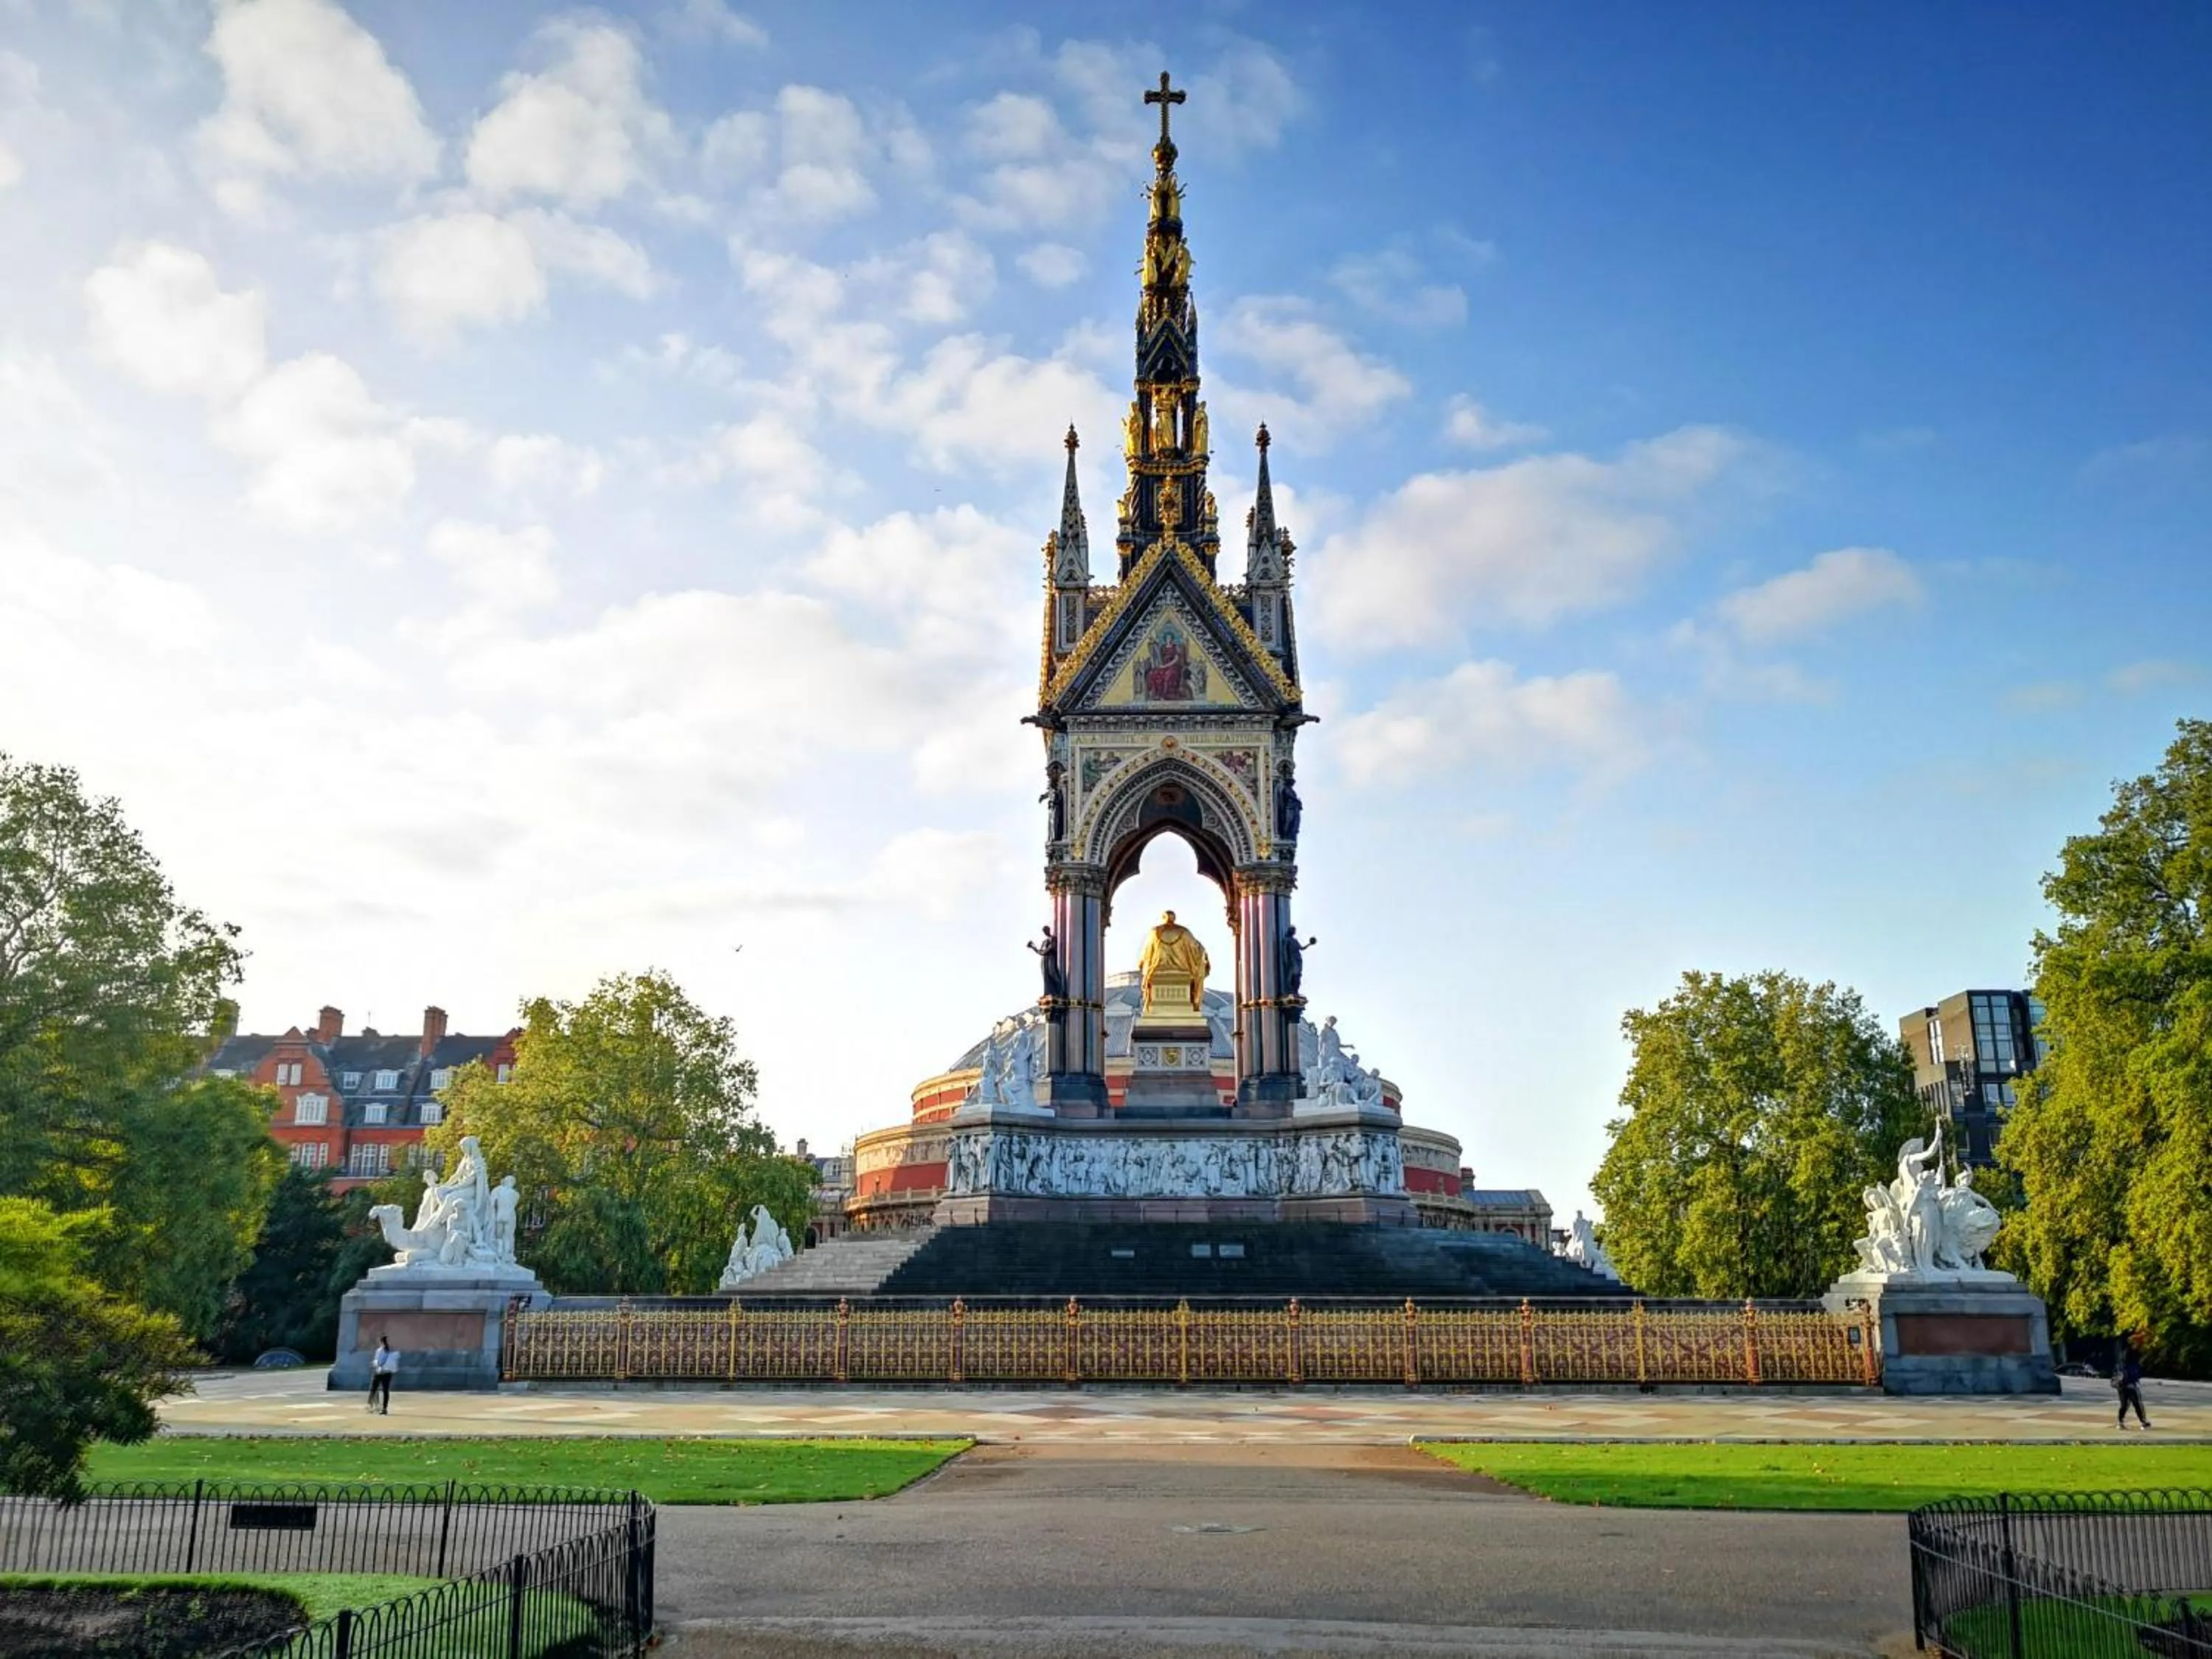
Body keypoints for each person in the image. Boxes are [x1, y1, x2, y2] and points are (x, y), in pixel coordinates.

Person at [2116, 1342, 2151, 1430]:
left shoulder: (2125, 1363)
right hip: (2129, 1385)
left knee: (2126, 1405)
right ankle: (2142, 1422)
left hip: (2124, 1385)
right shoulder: (2130, 1363)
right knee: (2135, 1404)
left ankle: (2121, 1422)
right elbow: (2130, 1374)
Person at [369, 1335, 399, 1415]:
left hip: (383, 1372)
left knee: (377, 1390)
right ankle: (378, 1407)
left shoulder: (386, 1351)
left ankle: (379, 1407)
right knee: (378, 1390)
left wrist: (375, 1364)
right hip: (383, 1373)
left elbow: (378, 1361)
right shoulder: (382, 1351)